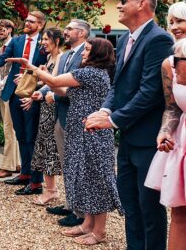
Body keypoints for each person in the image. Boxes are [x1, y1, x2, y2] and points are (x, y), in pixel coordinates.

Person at [10, 38, 123, 246]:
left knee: (95, 180)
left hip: (92, 134)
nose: (82, 53)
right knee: (84, 178)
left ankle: (99, 232)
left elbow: (54, 81)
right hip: (80, 132)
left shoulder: (91, 73)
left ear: (98, 54)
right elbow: (63, 91)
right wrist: (44, 95)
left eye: (87, 50)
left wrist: (31, 67)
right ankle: (87, 224)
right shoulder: (90, 74)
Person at [85, 0, 173, 250]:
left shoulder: (159, 39)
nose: (119, 5)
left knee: (149, 209)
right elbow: (118, 86)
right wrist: (105, 110)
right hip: (127, 140)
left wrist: (112, 121)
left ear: (142, 4)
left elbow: (151, 92)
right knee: (130, 205)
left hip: (148, 140)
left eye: (124, 1)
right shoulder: (124, 39)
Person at [0, 11, 48, 195]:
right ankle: (25, 173)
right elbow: (2, 59)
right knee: (21, 134)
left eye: (31, 21)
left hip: (32, 93)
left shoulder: (44, 43)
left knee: (31, 136)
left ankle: (36, 181)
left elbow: (49, 68)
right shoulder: (17, 41)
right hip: (13, 93)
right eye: (27, 20)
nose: (27, 23)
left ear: (40, 25)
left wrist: (31, 75)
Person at [145, 2, 186, 250]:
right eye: (170, 21)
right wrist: (163, 132)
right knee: (179, 212)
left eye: (179, 20)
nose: (174, 26)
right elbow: (171, 107)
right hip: (182, 141)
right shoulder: (168, 64)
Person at [44, 19, 90, 227]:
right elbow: (57, 80)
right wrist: (43, 92)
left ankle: (80, 212)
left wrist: (54, 96)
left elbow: (80, 87)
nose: (65, 32)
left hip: (77, 116)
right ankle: (70, 203)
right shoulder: (65, 56)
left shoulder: (87, 54)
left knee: (77, 166)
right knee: (66, 163)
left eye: (69, 29)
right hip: (62, 116)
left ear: (81, 32)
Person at [29, 28, 63, 205]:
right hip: (45, 107)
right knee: (43, 145)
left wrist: (42, 87)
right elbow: (47, 81)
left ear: (56, 41)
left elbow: (55, 82)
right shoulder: (49, 58)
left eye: (45, 39)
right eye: (41, 39)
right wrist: (39, 89)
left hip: (53, 107)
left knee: (49, 148)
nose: (42, 42)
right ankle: (49, 189)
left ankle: (52, 191)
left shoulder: (60, 58)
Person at [0, 19, 20, 179]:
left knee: (9, 129)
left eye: (2, 29)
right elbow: (1, 73)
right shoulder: (1, 49)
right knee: (11, 129)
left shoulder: (15, 46)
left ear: (10, 30)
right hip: (3, 92)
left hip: (14, 91)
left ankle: (7, 167)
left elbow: (13, 72)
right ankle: (16, 163)